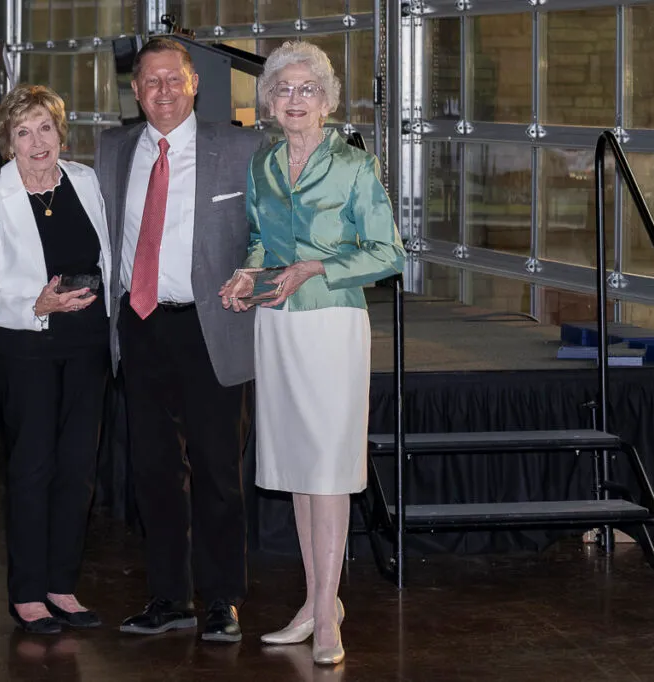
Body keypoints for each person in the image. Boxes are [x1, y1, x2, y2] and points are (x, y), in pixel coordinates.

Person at [219, 41, 405, 666]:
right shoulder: (263, 163)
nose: (293, 100)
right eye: (283, 90)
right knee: (300, 474)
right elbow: (254, 238)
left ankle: (328, 617)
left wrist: (315, 268)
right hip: (277, 327)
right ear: (268, 102)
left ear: (326, 100)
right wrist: (249, 275)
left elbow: (388, 254)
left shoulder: (355, 166)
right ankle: (315, 602)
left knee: (328, 474)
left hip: (331, 326)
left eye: (306, 89)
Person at [94, 37, 265, 643]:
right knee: (154, 469)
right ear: (135, 90)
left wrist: (257, 274)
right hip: (138, 324)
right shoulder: (112, 150)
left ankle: (221, 598)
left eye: (173, 79)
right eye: (150, 81)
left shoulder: (241, 147)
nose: (162, 91)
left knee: (219, 468)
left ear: (193, 84)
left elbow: (266, 230)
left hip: (210, 324)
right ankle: (168, 597)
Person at [0, 84, 112, 635]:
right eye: (23, 133)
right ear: (8, 145)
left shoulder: (86, 181)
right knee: (32, 468)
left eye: (45, 127)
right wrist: (34, 304)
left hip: (89, 345)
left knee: (78, 468)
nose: (37, 141)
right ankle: (26, 592)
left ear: (59, 132)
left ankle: (61, 585)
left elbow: (108, 257)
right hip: (29, 347)